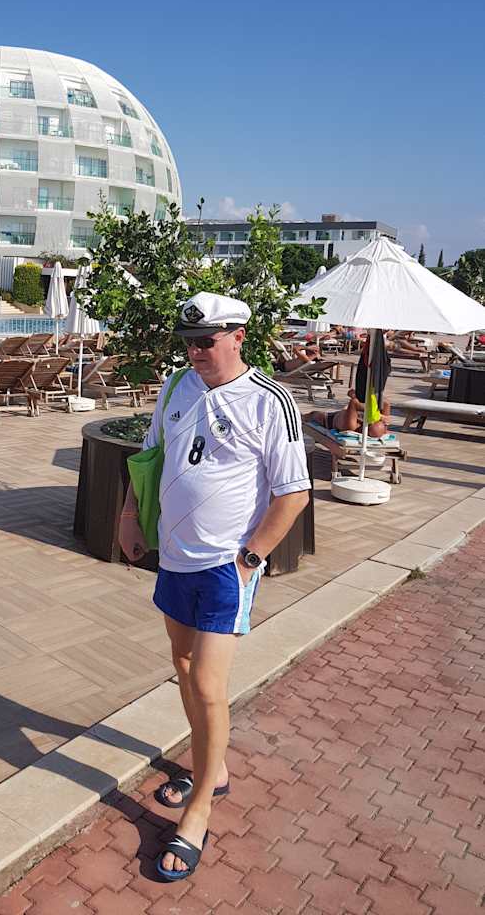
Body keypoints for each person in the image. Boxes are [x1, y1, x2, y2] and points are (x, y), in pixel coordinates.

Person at [118, 292, 311, 882]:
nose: (196, 352)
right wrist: (129, 516)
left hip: (227, 567)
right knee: (182, 665)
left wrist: (250, 560)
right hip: (174, 558)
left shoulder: (270, 401)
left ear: (238, 337)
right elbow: (151, 455)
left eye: (206, 341)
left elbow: (294, 492)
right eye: (188, 342)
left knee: (206, 682)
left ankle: (199, 810)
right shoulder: (178, 387)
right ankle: (214, 769)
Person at [308, 389, 392, 438]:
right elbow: (386, 403)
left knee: (312, 415)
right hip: (343, 414)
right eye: (377, 421)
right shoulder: (383, 429)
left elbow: (354, 402)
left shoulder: (352, 426)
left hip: (327, 420)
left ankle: (301, 418)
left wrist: (378, 415)